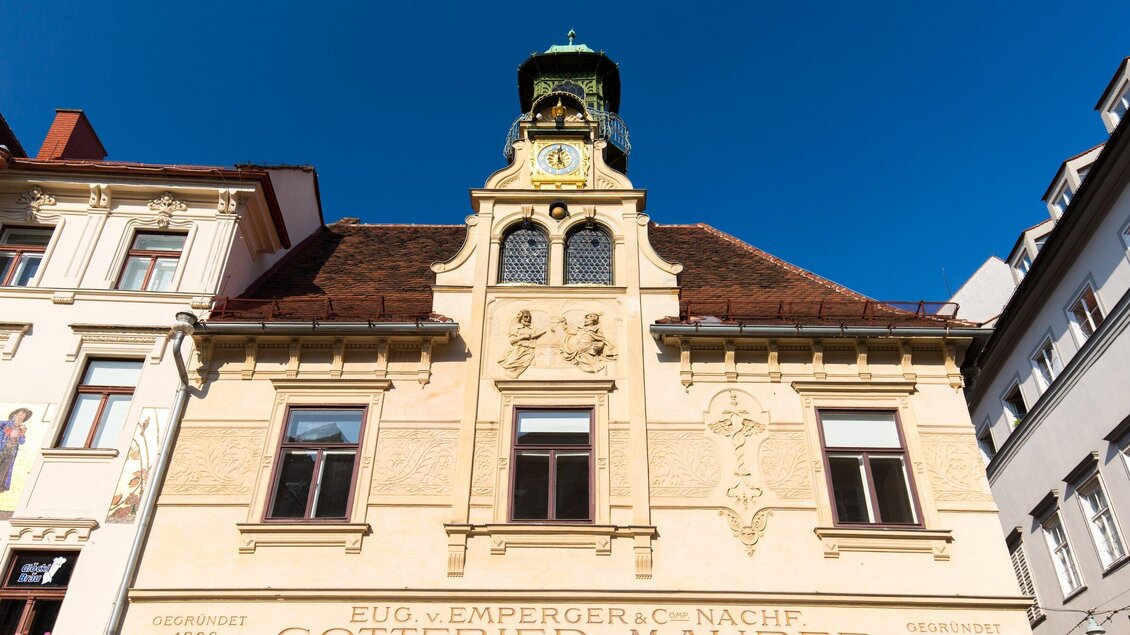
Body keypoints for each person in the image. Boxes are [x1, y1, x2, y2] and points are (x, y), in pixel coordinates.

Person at [498, 310, 546, 378]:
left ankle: (515, 374)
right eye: (526, 317)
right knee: (510, 364)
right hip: (518, 350)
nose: (528, 319)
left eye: (530, 317)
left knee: (524, 365)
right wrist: (523, 337)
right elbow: (512, 341)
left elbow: (536, 335)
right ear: (521, 318)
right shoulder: (515, 328)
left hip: (530, 350)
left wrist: (547, 330)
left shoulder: (532, 329)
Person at [0, 408, 31, 492]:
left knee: (3, 472)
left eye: (23, 416)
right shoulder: (4, 423)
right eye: (20, 415)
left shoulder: (21, 429)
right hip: (1, 449)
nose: (21, 417)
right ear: (14, 415)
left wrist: (22, 433)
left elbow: (22, 442)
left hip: (10, 453)